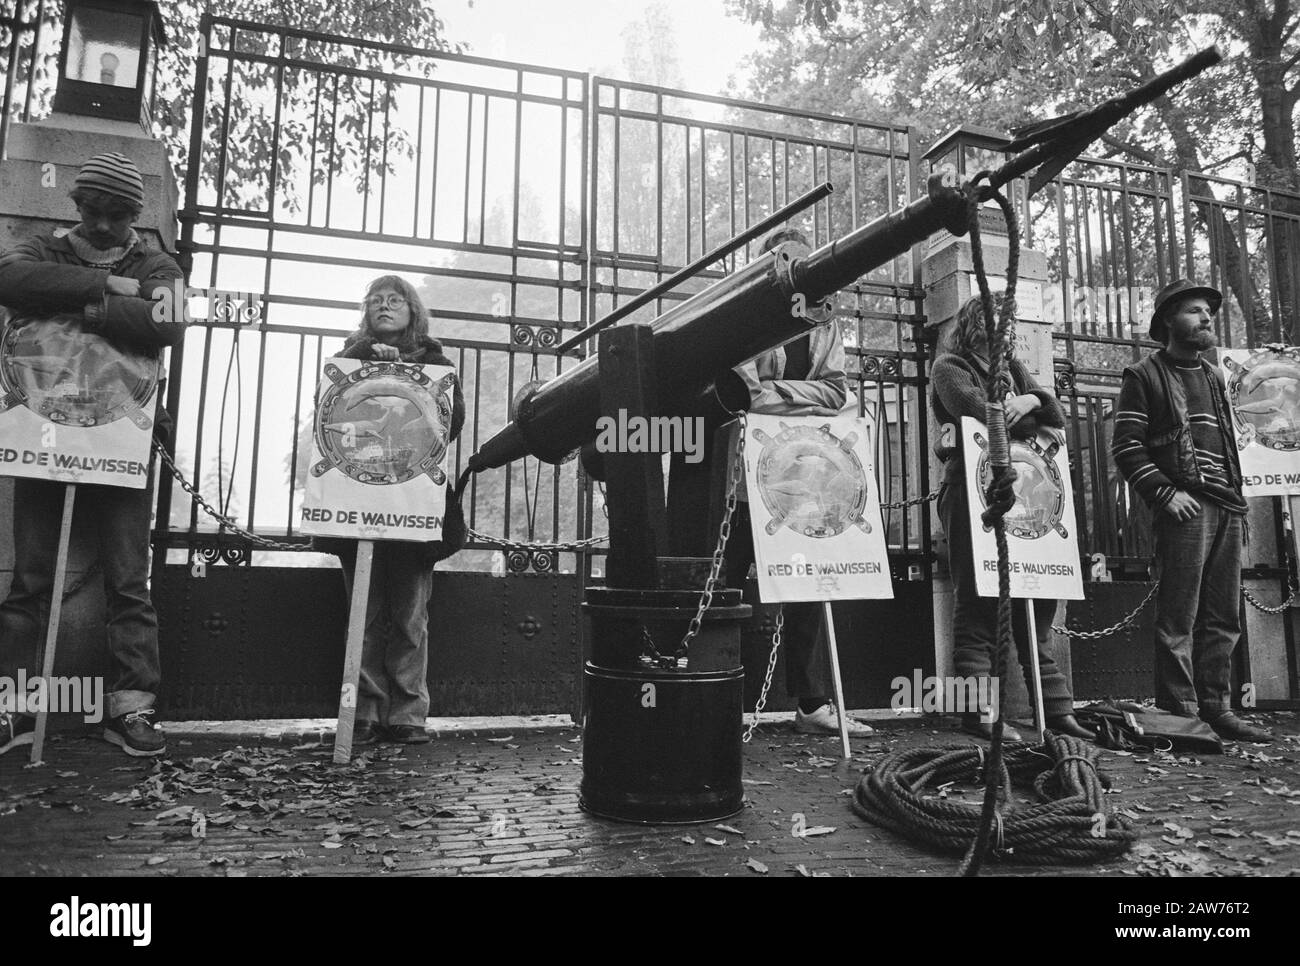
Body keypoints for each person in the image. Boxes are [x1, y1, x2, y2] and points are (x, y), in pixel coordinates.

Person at [0, 152, 185, 757]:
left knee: (129, 580)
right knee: (30, 578)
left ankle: (131, 708)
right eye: (94, 211)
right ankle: (14, 706)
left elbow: (169, 320)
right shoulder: (41, 246)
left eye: (120, 215)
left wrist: (74, 307)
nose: (105, 226)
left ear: (137, 213)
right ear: (76, 205)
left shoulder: (156, 261)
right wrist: (107, 286)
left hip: (120, 439)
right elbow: (9, 280)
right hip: (41, 435)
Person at [717, 227, 872, 737]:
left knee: (810, 582)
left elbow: (837, 392)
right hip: (748, 477)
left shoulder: (825, 324)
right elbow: (746, 394)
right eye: (791, 264)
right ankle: (713, 689)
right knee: (726, 582)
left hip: (805, 474)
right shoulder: (744, 319)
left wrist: (780, 391)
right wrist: (800, 394)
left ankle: (812, 704)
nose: (803, 274)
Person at [1111, 278, 1270, 743]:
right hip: (1185, 508)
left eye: (1207, 310)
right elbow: (1126, 446)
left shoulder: (1217, 377)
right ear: (1167, 322)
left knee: (1223, 617)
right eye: (1193, 311)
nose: (1205, 318)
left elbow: (1244, 436)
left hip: (1228, 507)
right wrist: (1163, 493)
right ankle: (1181, 714)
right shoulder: (1144, 375)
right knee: (1179, 615)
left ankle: (1217, 708)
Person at [931, 294, 1093, 741]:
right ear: (973, 323)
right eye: (994, 317)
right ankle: (976, 711)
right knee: (977, 599)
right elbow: (978, 414)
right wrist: (1026, 410)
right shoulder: (949, 366)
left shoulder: (1014, 372)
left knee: (1036, 602)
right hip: (971, 491)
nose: (1005, 326)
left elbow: (1057, 418)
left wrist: (1033, 399)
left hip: (1027, 492)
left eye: (1009, 318)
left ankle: (1056, 710)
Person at [319, 275, 465, 745]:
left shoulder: (437, 362)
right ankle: (361, 711)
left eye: (394, 300)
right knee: (363, 609)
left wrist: (406, 371)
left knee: (409, 614)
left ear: (411, 309)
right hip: (358, 499)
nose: (384, 307)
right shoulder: (347, 358)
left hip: (412, 503)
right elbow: (329, 414)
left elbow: (451, 421)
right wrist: (367, 363)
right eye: (376, 301)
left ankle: (407, 713)